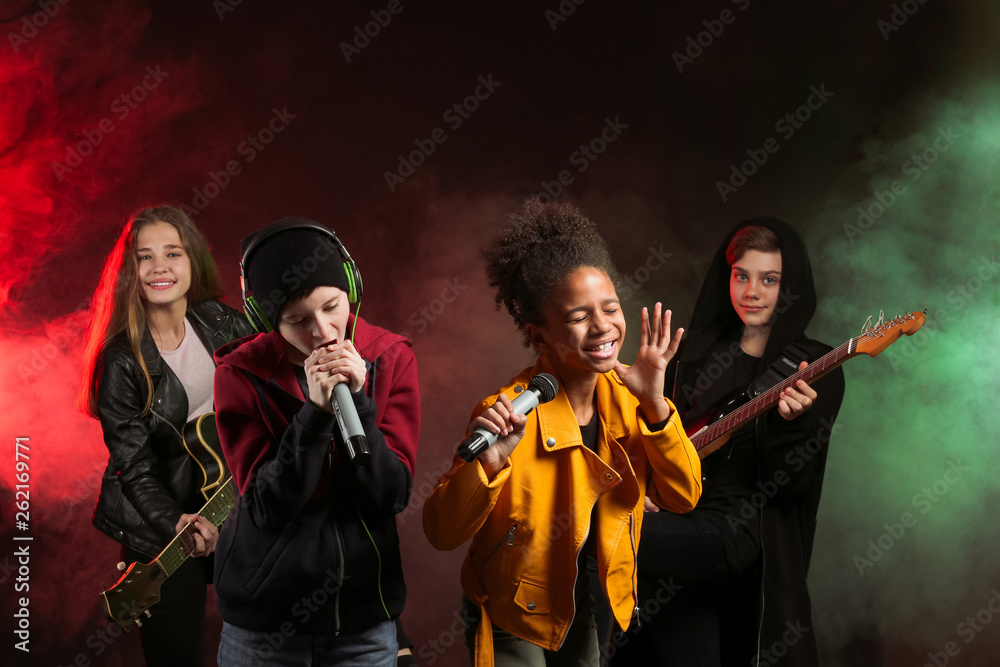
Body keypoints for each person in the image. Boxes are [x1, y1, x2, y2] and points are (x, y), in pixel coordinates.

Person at [422, 198, 703, 667]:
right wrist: (492, 460)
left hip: (582, 604)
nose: (602, 327)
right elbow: (441, 532)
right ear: (539, 336)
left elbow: (684, 497)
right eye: (578, 317)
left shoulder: (633, 398)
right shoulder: (508, 412)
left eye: (610, 308)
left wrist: (655, 402)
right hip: (512, 613)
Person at [610, 218, 846, 666]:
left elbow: (792, 484)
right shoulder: (690, 357)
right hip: (683, 522)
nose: (751, 291)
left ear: (790, 286)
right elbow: (655, 441)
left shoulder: (814, 366)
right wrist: (642, 486)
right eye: (742, 276)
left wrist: (790, 425)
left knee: (599, 531)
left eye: (769, 279)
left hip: (742, 537)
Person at [211, 218, 420, 666]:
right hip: (264, 629)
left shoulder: (390, 357)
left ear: (351, 289)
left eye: (332, 306)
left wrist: (359, 401)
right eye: (298, 320)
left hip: (364, 623)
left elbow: (392, 494)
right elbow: (268, 507)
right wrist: (315, 415)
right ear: (267, 320)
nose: (324, 331)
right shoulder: (239, 374)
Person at [79, 205, 254, 666]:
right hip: (164, 529)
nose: (160, 267)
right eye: (144, 257)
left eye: (172, 253)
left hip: (233, 502)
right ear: (129, 273)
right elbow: (132, 466)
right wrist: (175, 523)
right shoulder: (119, 362)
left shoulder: (221, 321)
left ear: (192, 260)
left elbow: (273, 394)